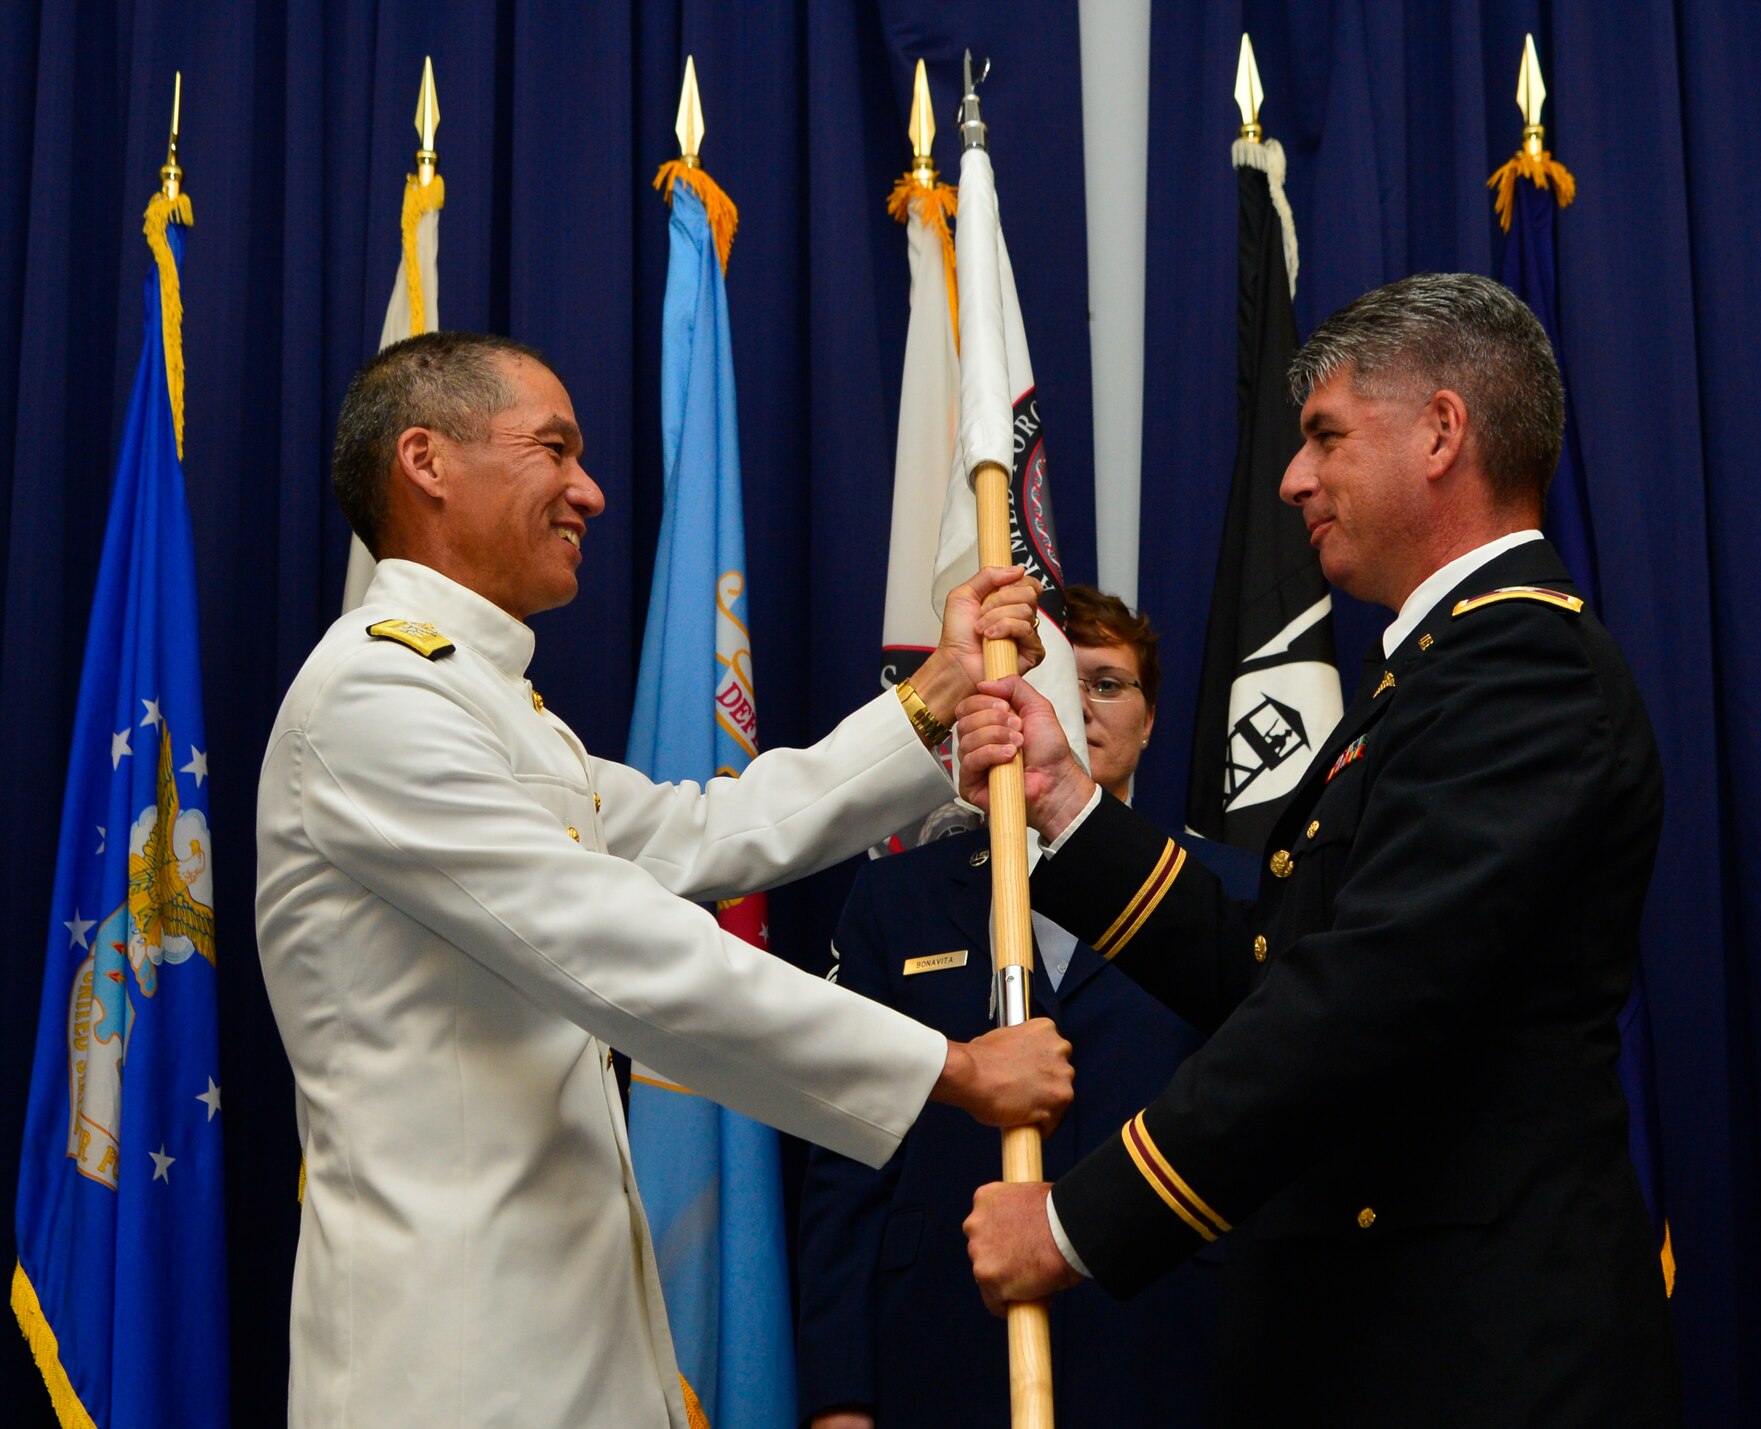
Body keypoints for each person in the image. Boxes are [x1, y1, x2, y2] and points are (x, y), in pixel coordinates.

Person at [255, 331, 1074, 1429]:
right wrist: (953, 1065)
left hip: (577, 1334)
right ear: (426, 461)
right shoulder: (373, 700)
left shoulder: (488, 707)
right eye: (554, 448)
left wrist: (931, 698)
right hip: (449, 1363)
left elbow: (701, 831)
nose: (589, 491)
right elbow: (618, 945)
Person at [956, 274, 1683, 1424]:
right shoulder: (1434, 672)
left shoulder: (1518, 672)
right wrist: (1060, 804)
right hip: (1385, 1339)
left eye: (1324, 437)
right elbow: (1273, 970)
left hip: (1472, 1356)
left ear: (1440, 431)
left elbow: (1359, 1000)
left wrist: (1075, 1220)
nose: (1292, 477)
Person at [795, 588, 1249, 1429]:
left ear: (1152, 721)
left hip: (1166, 1339)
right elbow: (848, 1154)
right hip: (941, 1341)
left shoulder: (1230, 896)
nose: (1074, 703)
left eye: (1107, 682)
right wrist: (838, 1394)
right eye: (1045, 675)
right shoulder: (896, 899)